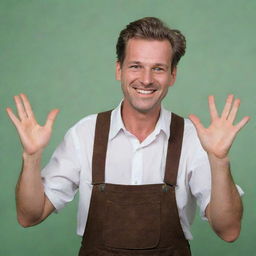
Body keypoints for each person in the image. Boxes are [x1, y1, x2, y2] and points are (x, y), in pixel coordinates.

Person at [7, 17, 250, 255]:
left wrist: (218, 160)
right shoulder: (84, 134)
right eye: (136, 66)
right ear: (119, 70)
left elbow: (228, 230)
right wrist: (31, 157)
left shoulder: (193, 138)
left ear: (172, 75)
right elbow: (30, 216)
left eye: (158, 68)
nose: (146, 79)